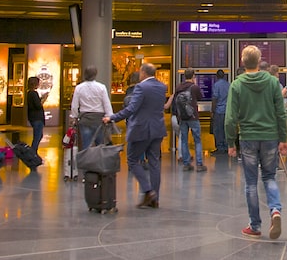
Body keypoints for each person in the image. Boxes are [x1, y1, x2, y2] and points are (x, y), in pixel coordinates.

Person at [225, 45, 287, 240]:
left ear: (242, 61)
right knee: (269, 177)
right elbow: (280, 112)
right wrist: (283, 139)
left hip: (248, 138)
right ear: (260, 60)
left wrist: (230, 142)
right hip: (270, 137)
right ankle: (275, 210)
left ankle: (255, 225)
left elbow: (230, 118)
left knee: (251, 183)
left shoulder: (237, 84)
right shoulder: (272, 82)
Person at [104, 62, 167, 208]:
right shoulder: (162, 87)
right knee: (154, 162)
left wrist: (112, 118)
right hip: (157, 128)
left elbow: (131, 108)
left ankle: (147, 190)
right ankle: (155, 198)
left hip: (141, 129)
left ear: (143, 72)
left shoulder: (141, 87)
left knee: (132, 160)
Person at [166, 68, 205, 172]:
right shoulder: (194, 87)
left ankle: (186, 164)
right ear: (193, 76)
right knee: (197, 140)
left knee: (183, 140)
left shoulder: (178, 87)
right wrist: (195, 84)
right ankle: (199, 164)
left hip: (182, 117)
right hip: (193, 117)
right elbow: (200, 97)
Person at [70, 65, 113, 149]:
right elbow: (106, 103)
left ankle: (87, 161)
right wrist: (110, 116)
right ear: (95, 74)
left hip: (85, 118)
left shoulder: (79, 88)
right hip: (99, 119)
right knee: (100, 145)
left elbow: (74, 105)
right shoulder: (101, 87)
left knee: (86, 145)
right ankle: (99, 161)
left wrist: (74, 116)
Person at [210, 69, 229, 153]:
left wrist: (212, 111)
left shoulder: (216, 85)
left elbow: (215, 98)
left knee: (218, 130)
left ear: (216, 76)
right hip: (227, 110)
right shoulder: (228, 85)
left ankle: (220, 147)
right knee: (225, 129)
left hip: (219, 110)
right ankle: (226, 146)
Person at [26, 76, 45, 154]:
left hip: (32, 117)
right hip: (37, 117)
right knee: (38, 135)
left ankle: (33, 151)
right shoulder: (34, 93)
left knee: (38, 135)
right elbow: (38, 106)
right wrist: (43, 100)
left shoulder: (29, 93)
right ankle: (33, 151)